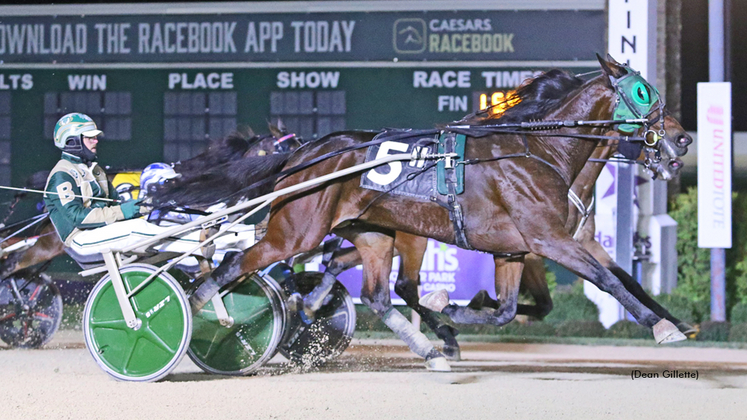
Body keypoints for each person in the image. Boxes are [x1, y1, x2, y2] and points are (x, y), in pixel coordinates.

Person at [43, 113, 252, 259]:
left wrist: (141, 206)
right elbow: (77, 217)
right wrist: (121, 212)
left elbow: (114, 202)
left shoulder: (95, 170)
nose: (96, 140)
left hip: (103, 229)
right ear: (72, 141)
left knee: (151, 224)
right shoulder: (62, 174)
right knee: (138, 229)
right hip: (80, 238)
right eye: (89, 137)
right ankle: (197, 244)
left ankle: (219, 241)